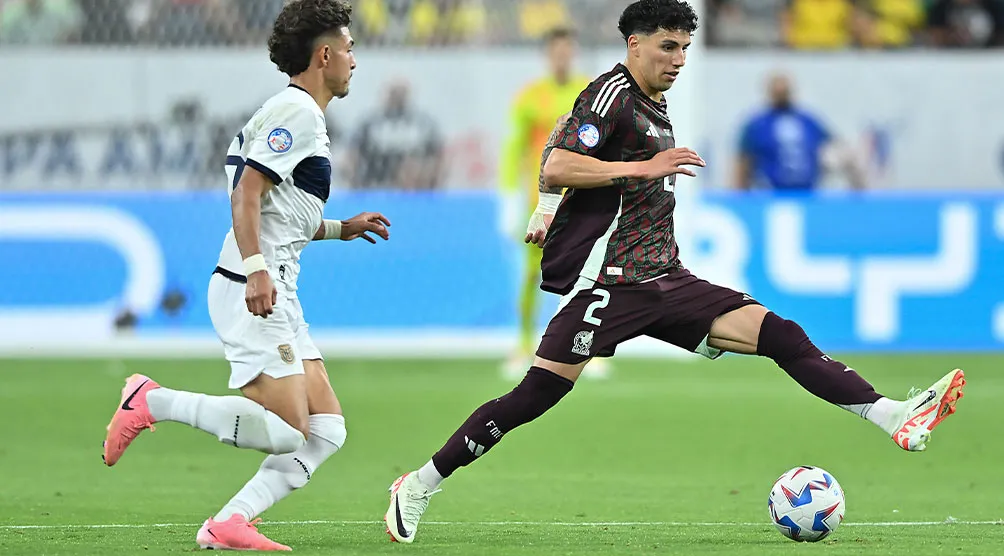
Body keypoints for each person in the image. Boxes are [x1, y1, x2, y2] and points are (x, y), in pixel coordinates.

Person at [382, 0, 965, 544]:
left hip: (666, 277)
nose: (679, 59)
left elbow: (560, 153)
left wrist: (549, 204)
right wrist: (631, 172)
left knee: (780, 334)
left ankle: (892, 415)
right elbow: (557, 160)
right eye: (668, 46)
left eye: (685, 47)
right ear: (634, 44)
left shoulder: (653, 103)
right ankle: (418, 483)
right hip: (608, 283)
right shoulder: (610, 95)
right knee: (535, 395)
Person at [102, 1, 391, 551]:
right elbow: (247, 194)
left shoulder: (297, 113)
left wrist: (339, 229)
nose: (354, 59)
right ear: (324, 55)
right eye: (348, 48)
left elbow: (280, 214)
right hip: (253, 286)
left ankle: (229, 522)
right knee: (287, 430)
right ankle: (152, 401)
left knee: (326, 429)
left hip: (276, 284)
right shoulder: (296, 112)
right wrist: (257, 270)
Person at [498, 26, 607, 379]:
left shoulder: (589, 93)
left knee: (586, 274)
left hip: (582, 200)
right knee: (532, 274)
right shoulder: (530, 97)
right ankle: (523, 345)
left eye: (567, 51)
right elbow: (513, 148)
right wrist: (508, 195)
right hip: (540, 202)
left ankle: (582, 349)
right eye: (556, 51)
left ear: (573, 53)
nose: (562, 57)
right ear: (547, 55)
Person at [735, 73, 864, 192]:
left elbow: (835, 147)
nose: (781, 96)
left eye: (784, 92)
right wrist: (740, 194)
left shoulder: (807, 121)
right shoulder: (757, 125)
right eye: (777, 92)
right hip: (772, 194)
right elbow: (744, 162)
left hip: (807, 193)